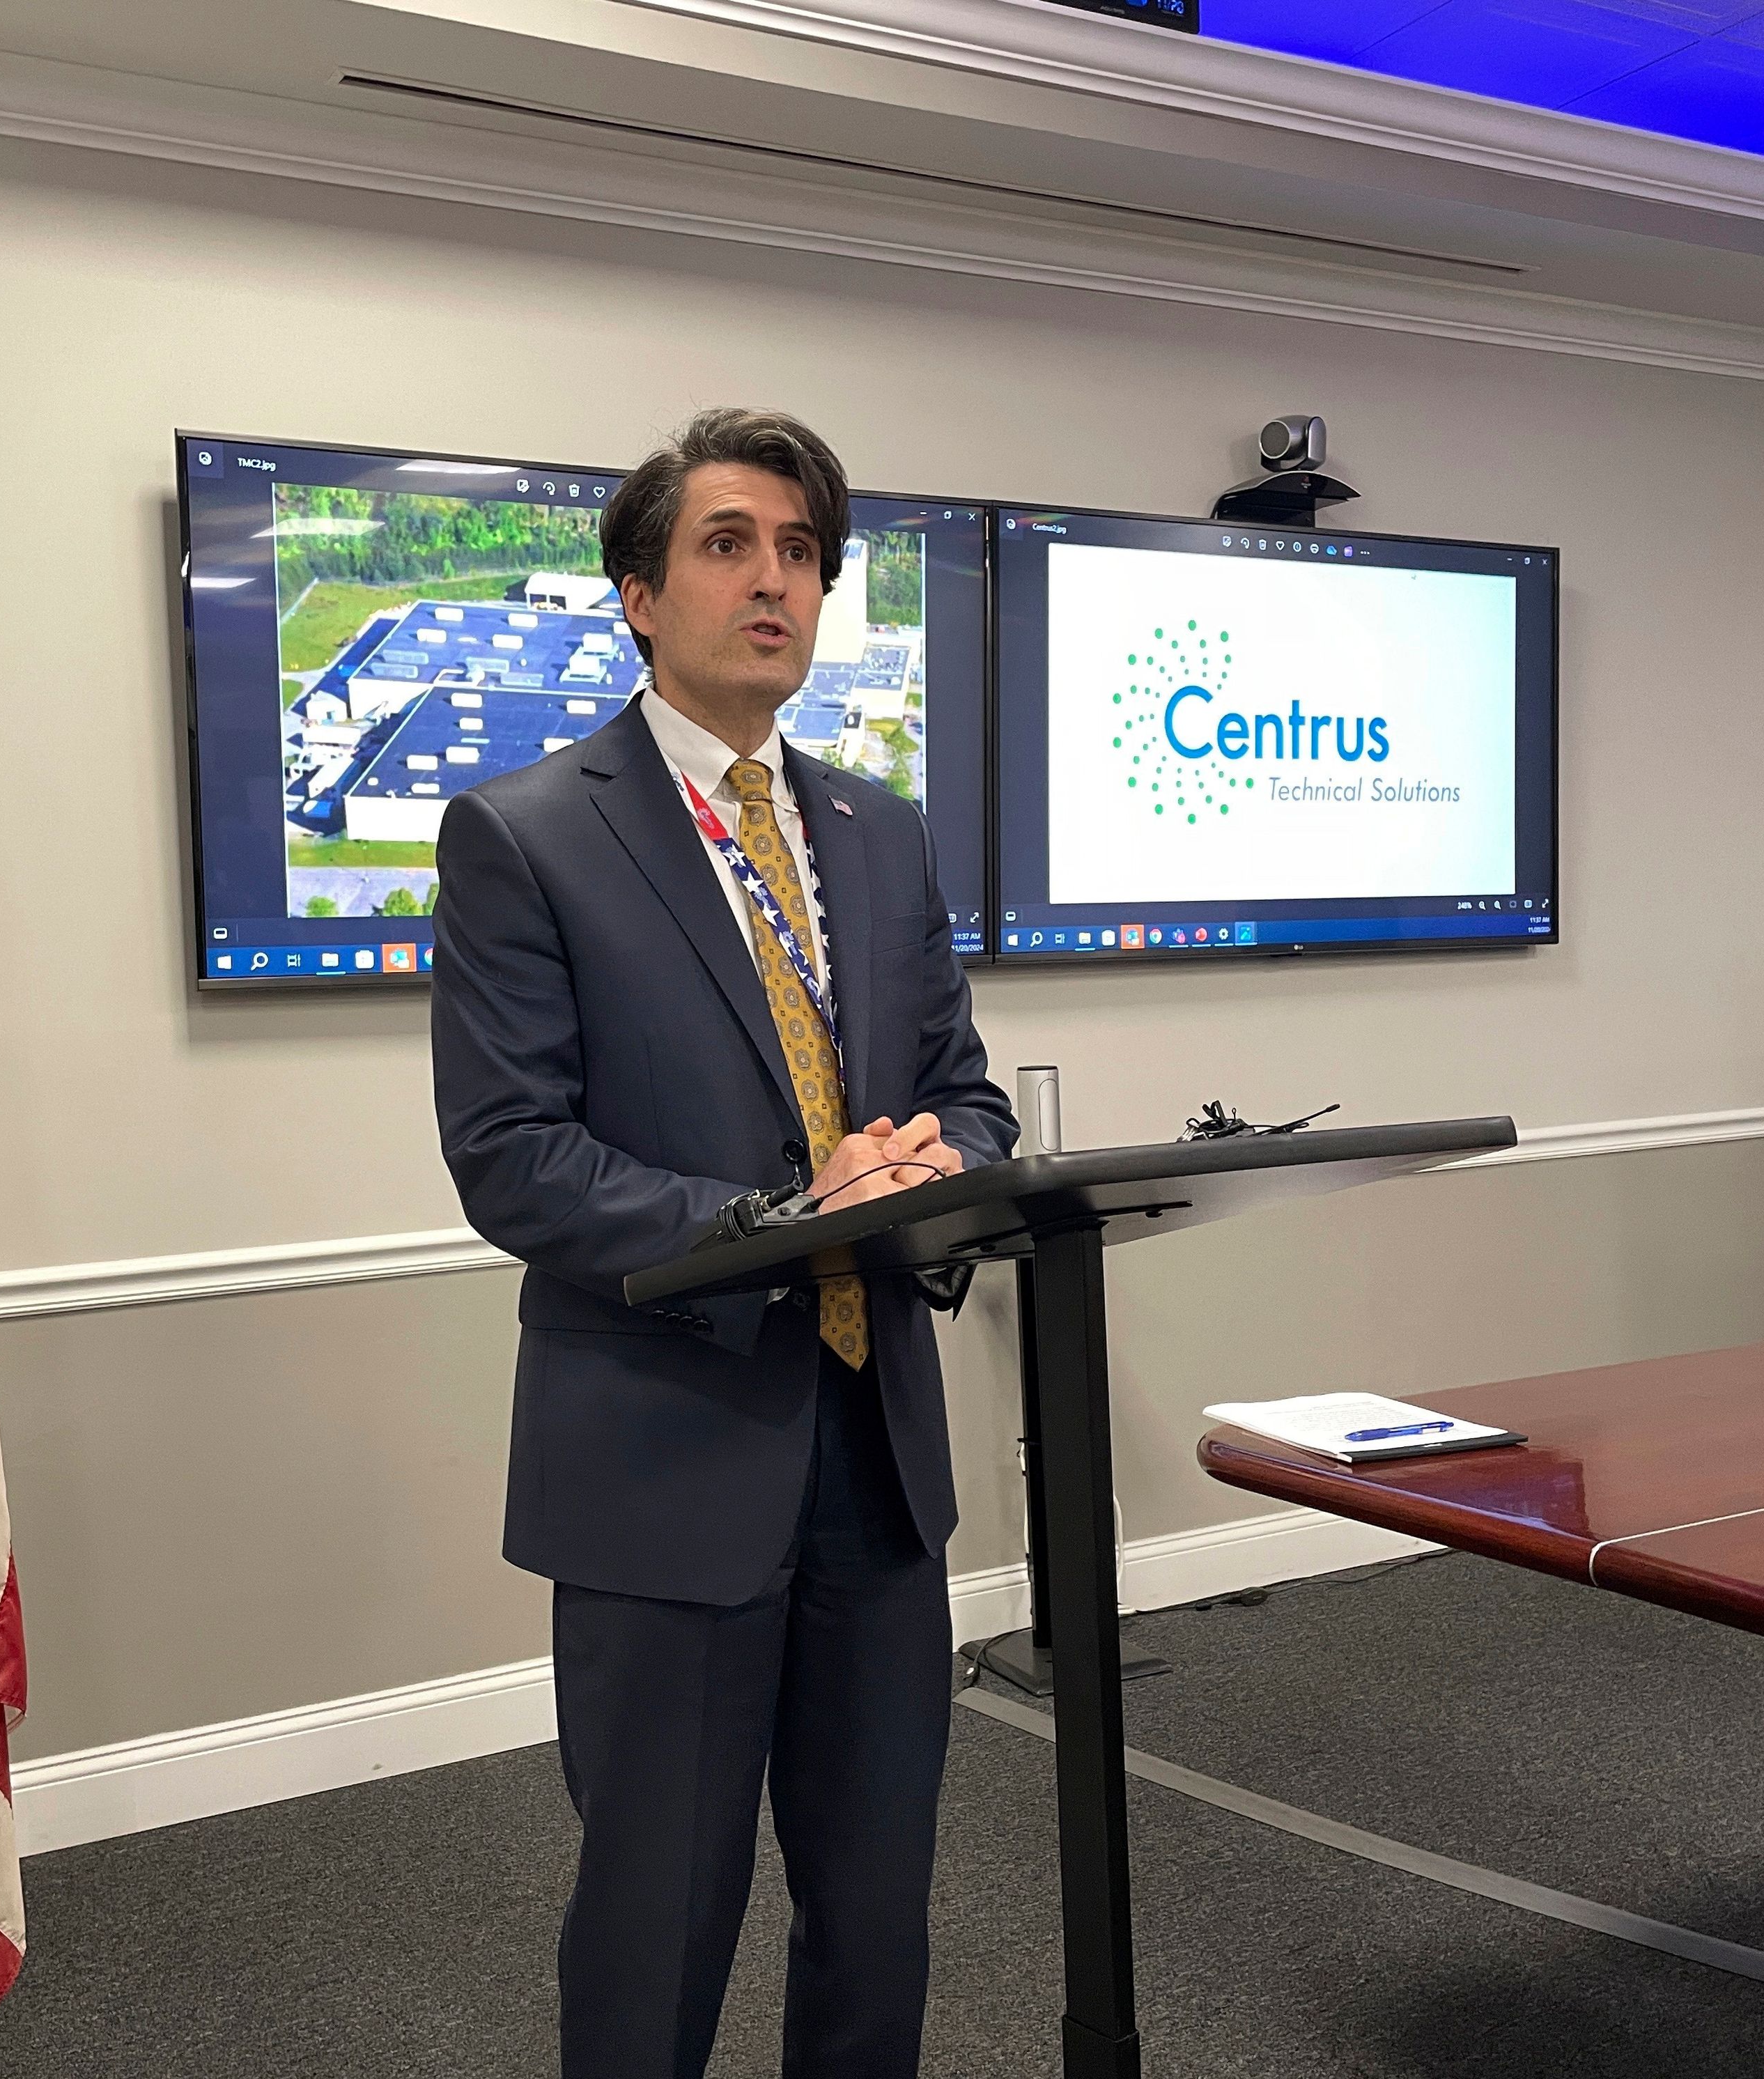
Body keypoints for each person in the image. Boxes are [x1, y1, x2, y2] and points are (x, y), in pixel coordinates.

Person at [431, 406, 1017, 2078]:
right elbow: (514, 1160)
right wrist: (778, 1221)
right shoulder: (527, 835)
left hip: (877, 1457)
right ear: (637, 591)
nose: (776, 581)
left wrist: (937, 1155)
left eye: (804, 553)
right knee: (657, 1918)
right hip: (666, 1458)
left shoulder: (879, 834)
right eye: (729, 544)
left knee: (877, 1906)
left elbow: (967, 1098)